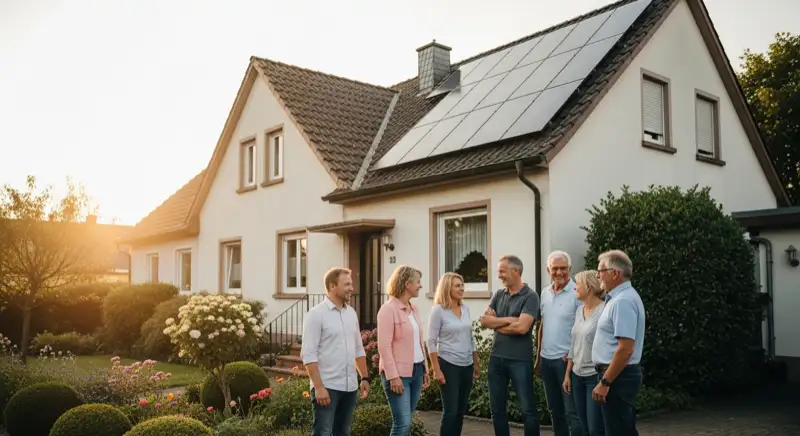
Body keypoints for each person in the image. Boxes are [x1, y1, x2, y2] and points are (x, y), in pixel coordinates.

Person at [301, 267, 371, 436]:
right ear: (332, 286)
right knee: (323, 433)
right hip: (327, 387)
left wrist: (365, 377)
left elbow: (358, 349)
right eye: (347, 284)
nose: (352, 288)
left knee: (343, 433)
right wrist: (318, 387)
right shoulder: (316, 315)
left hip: (350, 388)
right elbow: (308, 355)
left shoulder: (351, 313)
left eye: (351, 284)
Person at [480, 255, 541, 436]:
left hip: (519, 361)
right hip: (496, 358)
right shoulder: (499, 294)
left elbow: (522, 328)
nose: (499, 275)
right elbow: (485, 321)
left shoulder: (531, 296)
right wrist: (507, 321)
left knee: (527, 409)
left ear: (516, 271)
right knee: (497, 408)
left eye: (502, 271)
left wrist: (497, 323)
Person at [591, 250, 646, 436]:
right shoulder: (619, 298)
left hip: (617, 377)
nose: (597, 275)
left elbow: (625, 349)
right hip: (617, 375)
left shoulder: (622, 301)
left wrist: (605, 382)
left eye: (601, 270)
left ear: (615, 273)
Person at [377, 265, 430, 436]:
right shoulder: (388, 310)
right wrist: (393, 376)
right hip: (399, 375)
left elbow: (418, 341)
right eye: (418, 282)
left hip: (417, 370)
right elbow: (384, 347)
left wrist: (425, 369)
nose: (420, 286)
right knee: (402, 424)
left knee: (406, 422)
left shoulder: (414, 308)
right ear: (407, 284)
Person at [427, 272, 480, 436]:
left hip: (466, 365)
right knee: (450, 411)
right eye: (457, 285)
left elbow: (470, 338)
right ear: (447, 288)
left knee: (460, 412)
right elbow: (430, 341)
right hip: (448, 365)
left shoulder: (465, 308)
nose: (461, 288)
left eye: (462, 285)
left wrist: (476, 363)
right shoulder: (438, 311)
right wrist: (436, 369)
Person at [536, 251, 583, 436]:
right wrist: (538, 355)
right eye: (555, 268)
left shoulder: (577, 293)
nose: (559, 272)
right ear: (548, 270)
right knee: (555, 411)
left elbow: (583, 327)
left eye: (563, 268)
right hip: (546, 360)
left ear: (570, 269)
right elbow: (542, 325)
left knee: (573, 413)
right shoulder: (545, 293)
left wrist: (572, 354)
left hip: (566, 361)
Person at [563, 270, 606, 436]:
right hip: (576, 376)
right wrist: (567, 374)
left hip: (594, 377)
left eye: (577, 284)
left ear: (589, 287)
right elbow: (574, 345)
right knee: (583, 427)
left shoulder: (604, 310)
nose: (575, 288)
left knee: (595, 428)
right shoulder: (579, 310)